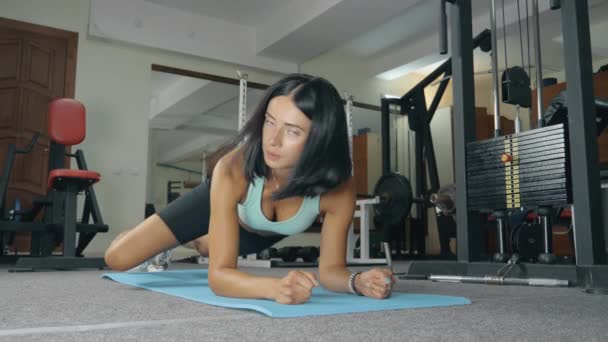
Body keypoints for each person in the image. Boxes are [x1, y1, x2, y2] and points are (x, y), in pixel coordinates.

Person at [104, 74, 396, 304]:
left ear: (321, 139)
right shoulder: (233, 168)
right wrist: (273, 288)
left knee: (206, 244)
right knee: (118, 258)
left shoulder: (338, 188)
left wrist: (357, 281)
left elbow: (330, 270)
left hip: (257, 237)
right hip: (214, 202)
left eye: (292, 131)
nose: (273, 140)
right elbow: (219, 278)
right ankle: (150, 239)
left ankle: (191, 239)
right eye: (270, 122)